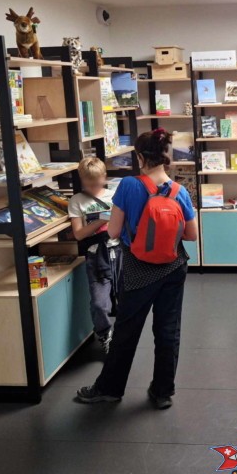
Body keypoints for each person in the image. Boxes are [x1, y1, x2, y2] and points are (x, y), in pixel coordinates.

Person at [76, 128, 198, 409]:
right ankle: (162, 391)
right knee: (168, 330)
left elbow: (115, 231)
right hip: (173, 266)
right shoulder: (179, 191)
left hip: (137, 268)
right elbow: (191, 235)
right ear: (165, 156)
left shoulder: (129, 186)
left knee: (126, 331)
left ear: (140, 156)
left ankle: (109, 388)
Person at [68, 157, 122, 353]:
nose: (93, 187)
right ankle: (104, 333)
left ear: (104, 177)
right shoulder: (76, 201)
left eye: (97, 182)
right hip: (95, 257)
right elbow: (79, 234)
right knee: (100, 303)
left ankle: (123, 337)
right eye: (89, 183)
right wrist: (101, 221)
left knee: (126, 299)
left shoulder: (115, 195)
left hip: (119, 252)